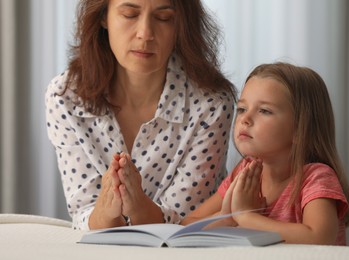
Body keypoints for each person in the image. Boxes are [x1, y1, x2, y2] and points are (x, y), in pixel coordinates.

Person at [45, 0, 236, 230]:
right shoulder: (65, 97)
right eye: (129, 14)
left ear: (181, 26)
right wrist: (107, 211)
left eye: (164, 18)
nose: (145, 34)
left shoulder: (211, 104)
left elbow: (186, 224)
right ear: (104, 17)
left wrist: (136, 206)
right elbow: (84, 213)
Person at [181, 62, 349, 245]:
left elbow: (319, 237)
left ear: (300, 129)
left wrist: (246, 217)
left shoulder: (316, 178)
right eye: (242, 109)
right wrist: (227, 217)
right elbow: (187, 226)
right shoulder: (244, 172)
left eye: (264, 111)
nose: (245, 119)